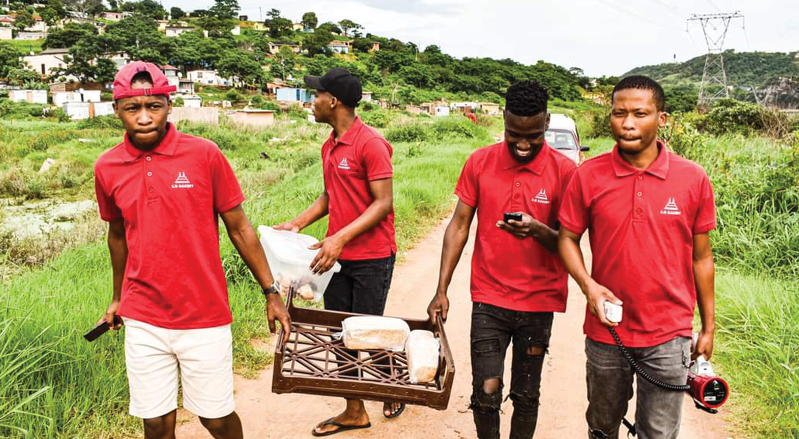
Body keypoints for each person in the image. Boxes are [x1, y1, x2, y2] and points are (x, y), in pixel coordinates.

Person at [94, 61, 291, 439]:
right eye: (133, 108)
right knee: (156, 422)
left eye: (154, 106)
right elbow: (116, 236)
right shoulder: (107, 167)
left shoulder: (204, 154)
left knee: (215, 418)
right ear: (116, 110)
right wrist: (118, 298)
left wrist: (271, 291)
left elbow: (239, 227)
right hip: (143, 314)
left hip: (204, 313)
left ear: (169, 105)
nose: (144, 117)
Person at [557, 75, 716, 439]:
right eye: (619, 113)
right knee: (601, 426)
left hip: (669, 333)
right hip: (607, 330)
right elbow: (567, 238)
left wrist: (707, 326)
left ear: (662, 118)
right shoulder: (588, 175)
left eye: (640, 113)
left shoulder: (693, 178)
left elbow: (702, 258)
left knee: (659, 433)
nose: (627, 123)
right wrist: (589, 286)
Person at [427, 80, 577, 439]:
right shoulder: (480, 162)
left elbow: (570, 244)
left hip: (539, 303)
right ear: (504, 121)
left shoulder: (566, 173)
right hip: (489, 301)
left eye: (533, 136)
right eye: (514, 135)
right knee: (486, 392)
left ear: (546, 123)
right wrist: (441, 289)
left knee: (527, 395)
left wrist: (538, 231)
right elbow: (459, 225)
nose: (523, 145)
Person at [273, 68, 402, 436]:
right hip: (337, 258)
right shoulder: (329, 144)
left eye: (316, 96)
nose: (311, 102)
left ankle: (389, 381)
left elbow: (383, 203)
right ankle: (355, 410)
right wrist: (297, 224)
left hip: (372, 256)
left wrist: (339, 238)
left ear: (334, 101)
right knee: (339, 333)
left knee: (368, 332)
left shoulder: (371, 144)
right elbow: (330, 196)